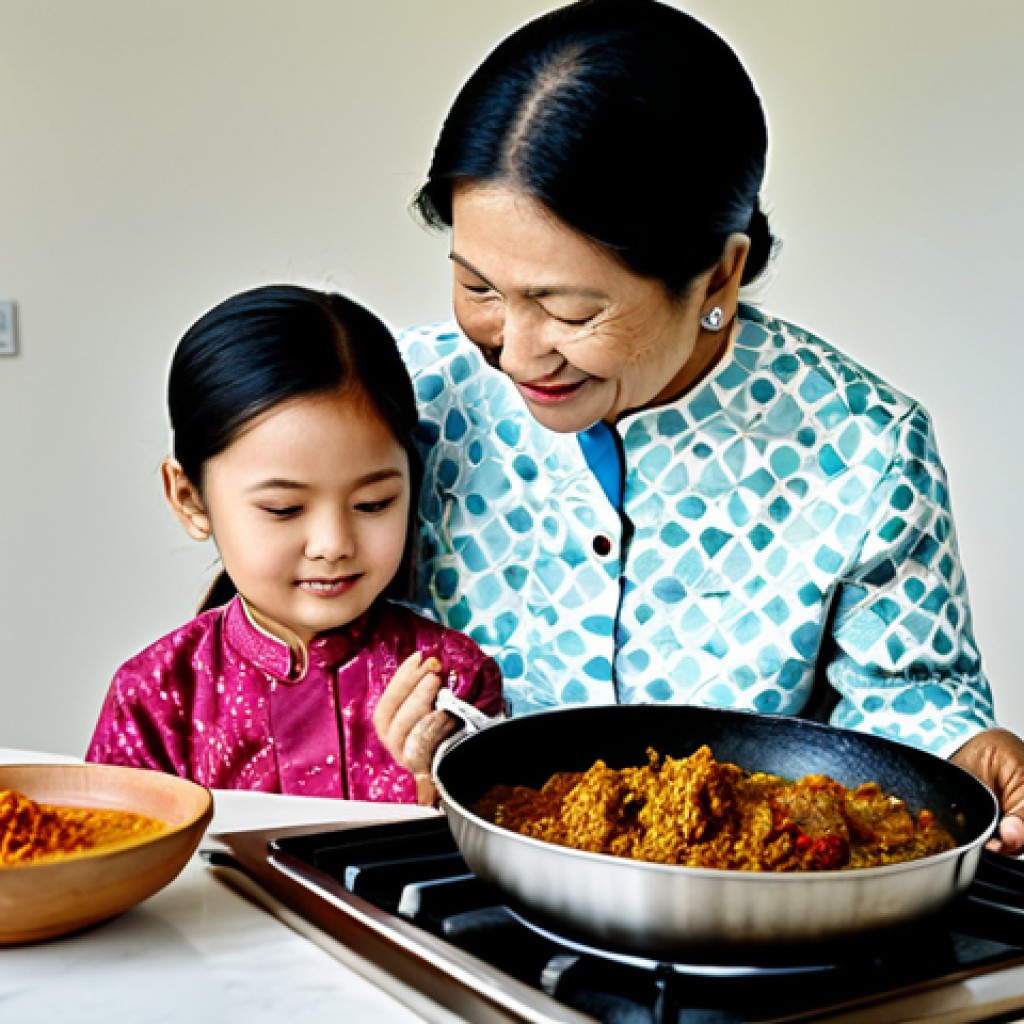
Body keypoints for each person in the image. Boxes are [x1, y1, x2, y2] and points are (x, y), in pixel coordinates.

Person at [373, 0, 1024, 848]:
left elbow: (906, 710)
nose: (518, 352)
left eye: (568, 309)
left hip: (742, 910)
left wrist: (965, 753)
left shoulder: (865, 447)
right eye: (479, 289)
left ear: (719, 277)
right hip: (437, 867)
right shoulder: (401, 398)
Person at [87, 285, 502, 804]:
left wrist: (428, 780)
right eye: (283, 509)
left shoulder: (449, 677)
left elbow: (493, 859)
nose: (332, 545)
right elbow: (118, 860)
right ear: (190, 499)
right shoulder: (155, 695)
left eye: (372, 504)